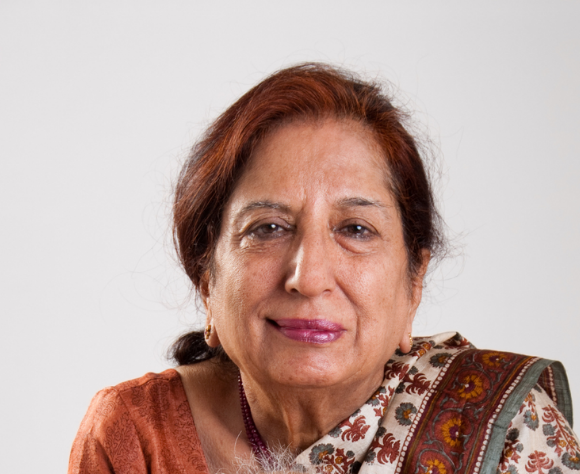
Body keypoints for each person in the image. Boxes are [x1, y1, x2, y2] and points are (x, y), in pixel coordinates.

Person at [68, 63, 579, 474]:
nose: (308, 278)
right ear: (207, 278)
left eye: (355, 229)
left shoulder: (501, 434)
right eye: (268, 228)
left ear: (414, 283)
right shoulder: (138, 437)